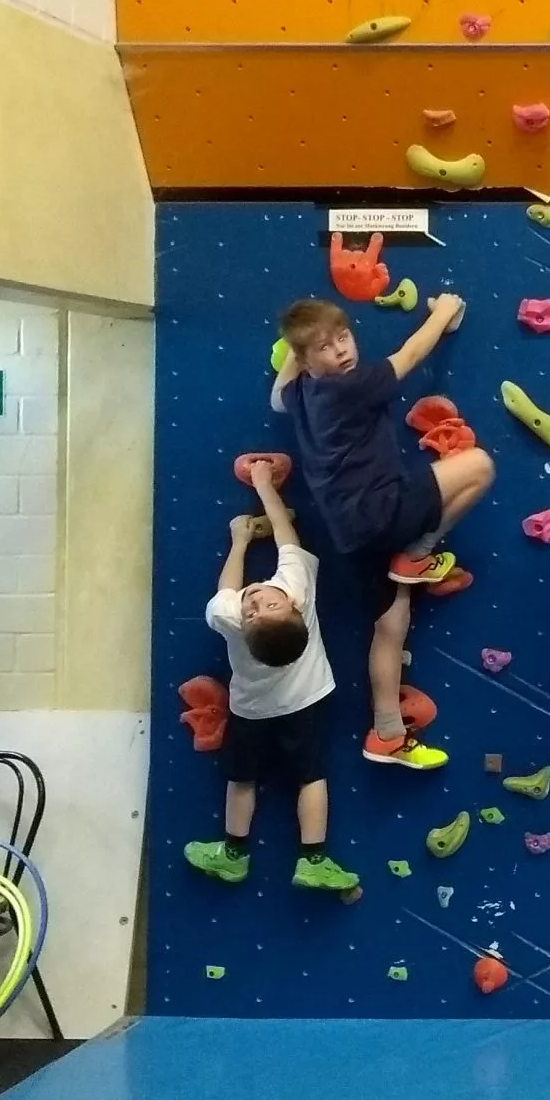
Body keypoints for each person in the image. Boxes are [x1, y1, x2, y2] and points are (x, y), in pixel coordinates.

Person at [273, 293, 495, 768]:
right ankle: (421, 551)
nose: (341, 351)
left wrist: (297, 352)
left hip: (351, 537)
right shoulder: (348, 386)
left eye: (343, 338)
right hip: (383, 510)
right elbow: (411, 354)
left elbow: (276, 396)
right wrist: (444, 311)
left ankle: (387, 732)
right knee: (478, 466)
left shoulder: (300, 395)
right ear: (308, 361)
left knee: (390, 626)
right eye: (325, 349)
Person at [185, 459, 358, 892]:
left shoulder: (228, 616)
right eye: (261, 607)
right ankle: (313, 859)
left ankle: (233, 853)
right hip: (306, 700)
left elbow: (227, 591)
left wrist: (239, 541)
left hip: (252, 712)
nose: (257, 600)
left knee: (242, 777)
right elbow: (286, 538)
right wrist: (266, 487)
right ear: (297, 611)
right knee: (311, 774)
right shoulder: (297, 588)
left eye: (257, 607)